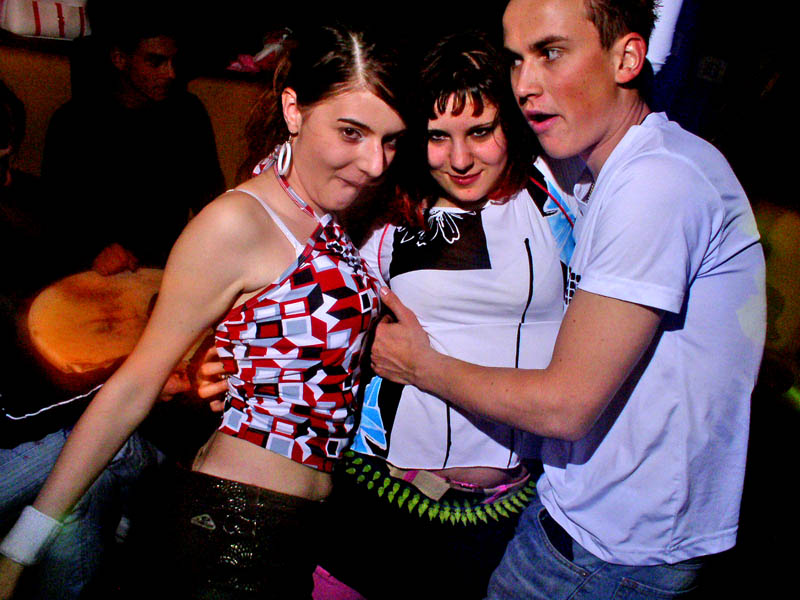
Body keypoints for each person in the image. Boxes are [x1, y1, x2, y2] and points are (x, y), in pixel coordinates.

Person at [370, 1, 766, 598]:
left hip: (607, 552)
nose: (525, 85)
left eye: (551, 53)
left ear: (627, 58)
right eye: (516, 61)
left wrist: (421, 365)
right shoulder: (602, 175)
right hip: (584, 524)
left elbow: (565, 407)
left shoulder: (658, 182)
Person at [1, 22, 406, 600]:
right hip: (233, 527)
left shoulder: (323, 211)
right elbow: (132, 386)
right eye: (352, 132)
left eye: (390, 140)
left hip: (299, 524)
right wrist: (21, 546)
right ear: (294, 109)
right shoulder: (237, 221)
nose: (374, 163)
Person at [319, 31, 579, 600]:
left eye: (480, 131)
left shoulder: (559, 201)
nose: (460, 160)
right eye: (438, 136)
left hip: (501, 516)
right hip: (376, 499)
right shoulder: (387, 216)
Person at [42, 1, 223, 276]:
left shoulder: (188, 114)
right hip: (91, 271)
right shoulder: (74, 122)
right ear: (119, 59)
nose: (170, 73)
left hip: (164, 270)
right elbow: (56, 217)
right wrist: (95, 251)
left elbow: (209, 199)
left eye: (173, 61)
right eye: (155, 62)